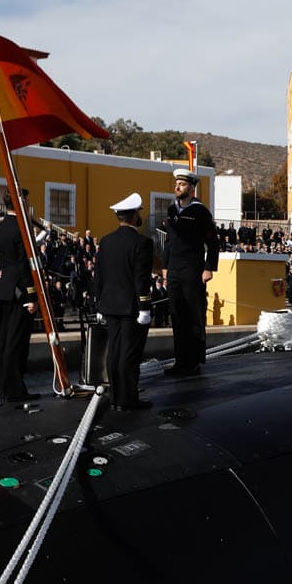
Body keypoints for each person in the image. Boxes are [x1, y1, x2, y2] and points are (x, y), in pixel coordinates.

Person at [95, 193, 154, 411]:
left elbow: (99, 276)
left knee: (115, 352)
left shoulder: (106, 241)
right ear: (133, 215)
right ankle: (128, 400)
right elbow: (142, 279)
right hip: (131, 308)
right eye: (139, 212)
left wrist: (99, 304)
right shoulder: (142, 243)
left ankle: (115, 398)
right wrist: (145, 307)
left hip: (110, 305)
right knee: (129, 354)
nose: (141, 215)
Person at [160, 168, 219, 376]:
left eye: (182, 184)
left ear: (192, 188)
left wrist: (209, 267)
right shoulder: (171, 210)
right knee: (176, 315)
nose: (177, 186)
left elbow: (213, 242)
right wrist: (165, 266)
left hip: (193, 270)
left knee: (194, 315)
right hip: (175, 270)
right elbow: (169, 241)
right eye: (176, 183)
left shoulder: (200, 211)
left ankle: (193, 362)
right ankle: (180, 361)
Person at [0, 189, 39, 402]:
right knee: (16, 342)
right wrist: (31, 296)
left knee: (2, 341)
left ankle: (4, 387)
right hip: (19, 291)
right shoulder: (22, 228)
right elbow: (24, 265)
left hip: (3, 288)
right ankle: (15, 390)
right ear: (20, 201)